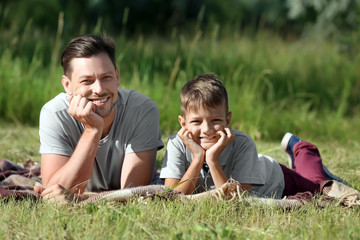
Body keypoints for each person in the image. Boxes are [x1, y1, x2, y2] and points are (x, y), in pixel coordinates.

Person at [160, 73, 342, 198]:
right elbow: (172, 197)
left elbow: (236, 201)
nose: (207, 129)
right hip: (252, 167)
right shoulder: (176, 144)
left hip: (275, 179)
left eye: (215, 120)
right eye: (196, 122)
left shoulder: (242, 143)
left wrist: (212, 160)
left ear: (227, 120)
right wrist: (198, 158)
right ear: (182, 123)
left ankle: (304, 149)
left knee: (320, 187)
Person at [34, 34, 164, 201]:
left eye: (106, 78)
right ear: (67, 85)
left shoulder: (142, 110)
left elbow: (133, 193)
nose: (99, 89)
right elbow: (53, 194)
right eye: (87, 81)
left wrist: (80, 198)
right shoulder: (54, 113)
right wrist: (92, 131)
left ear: (117, 77)